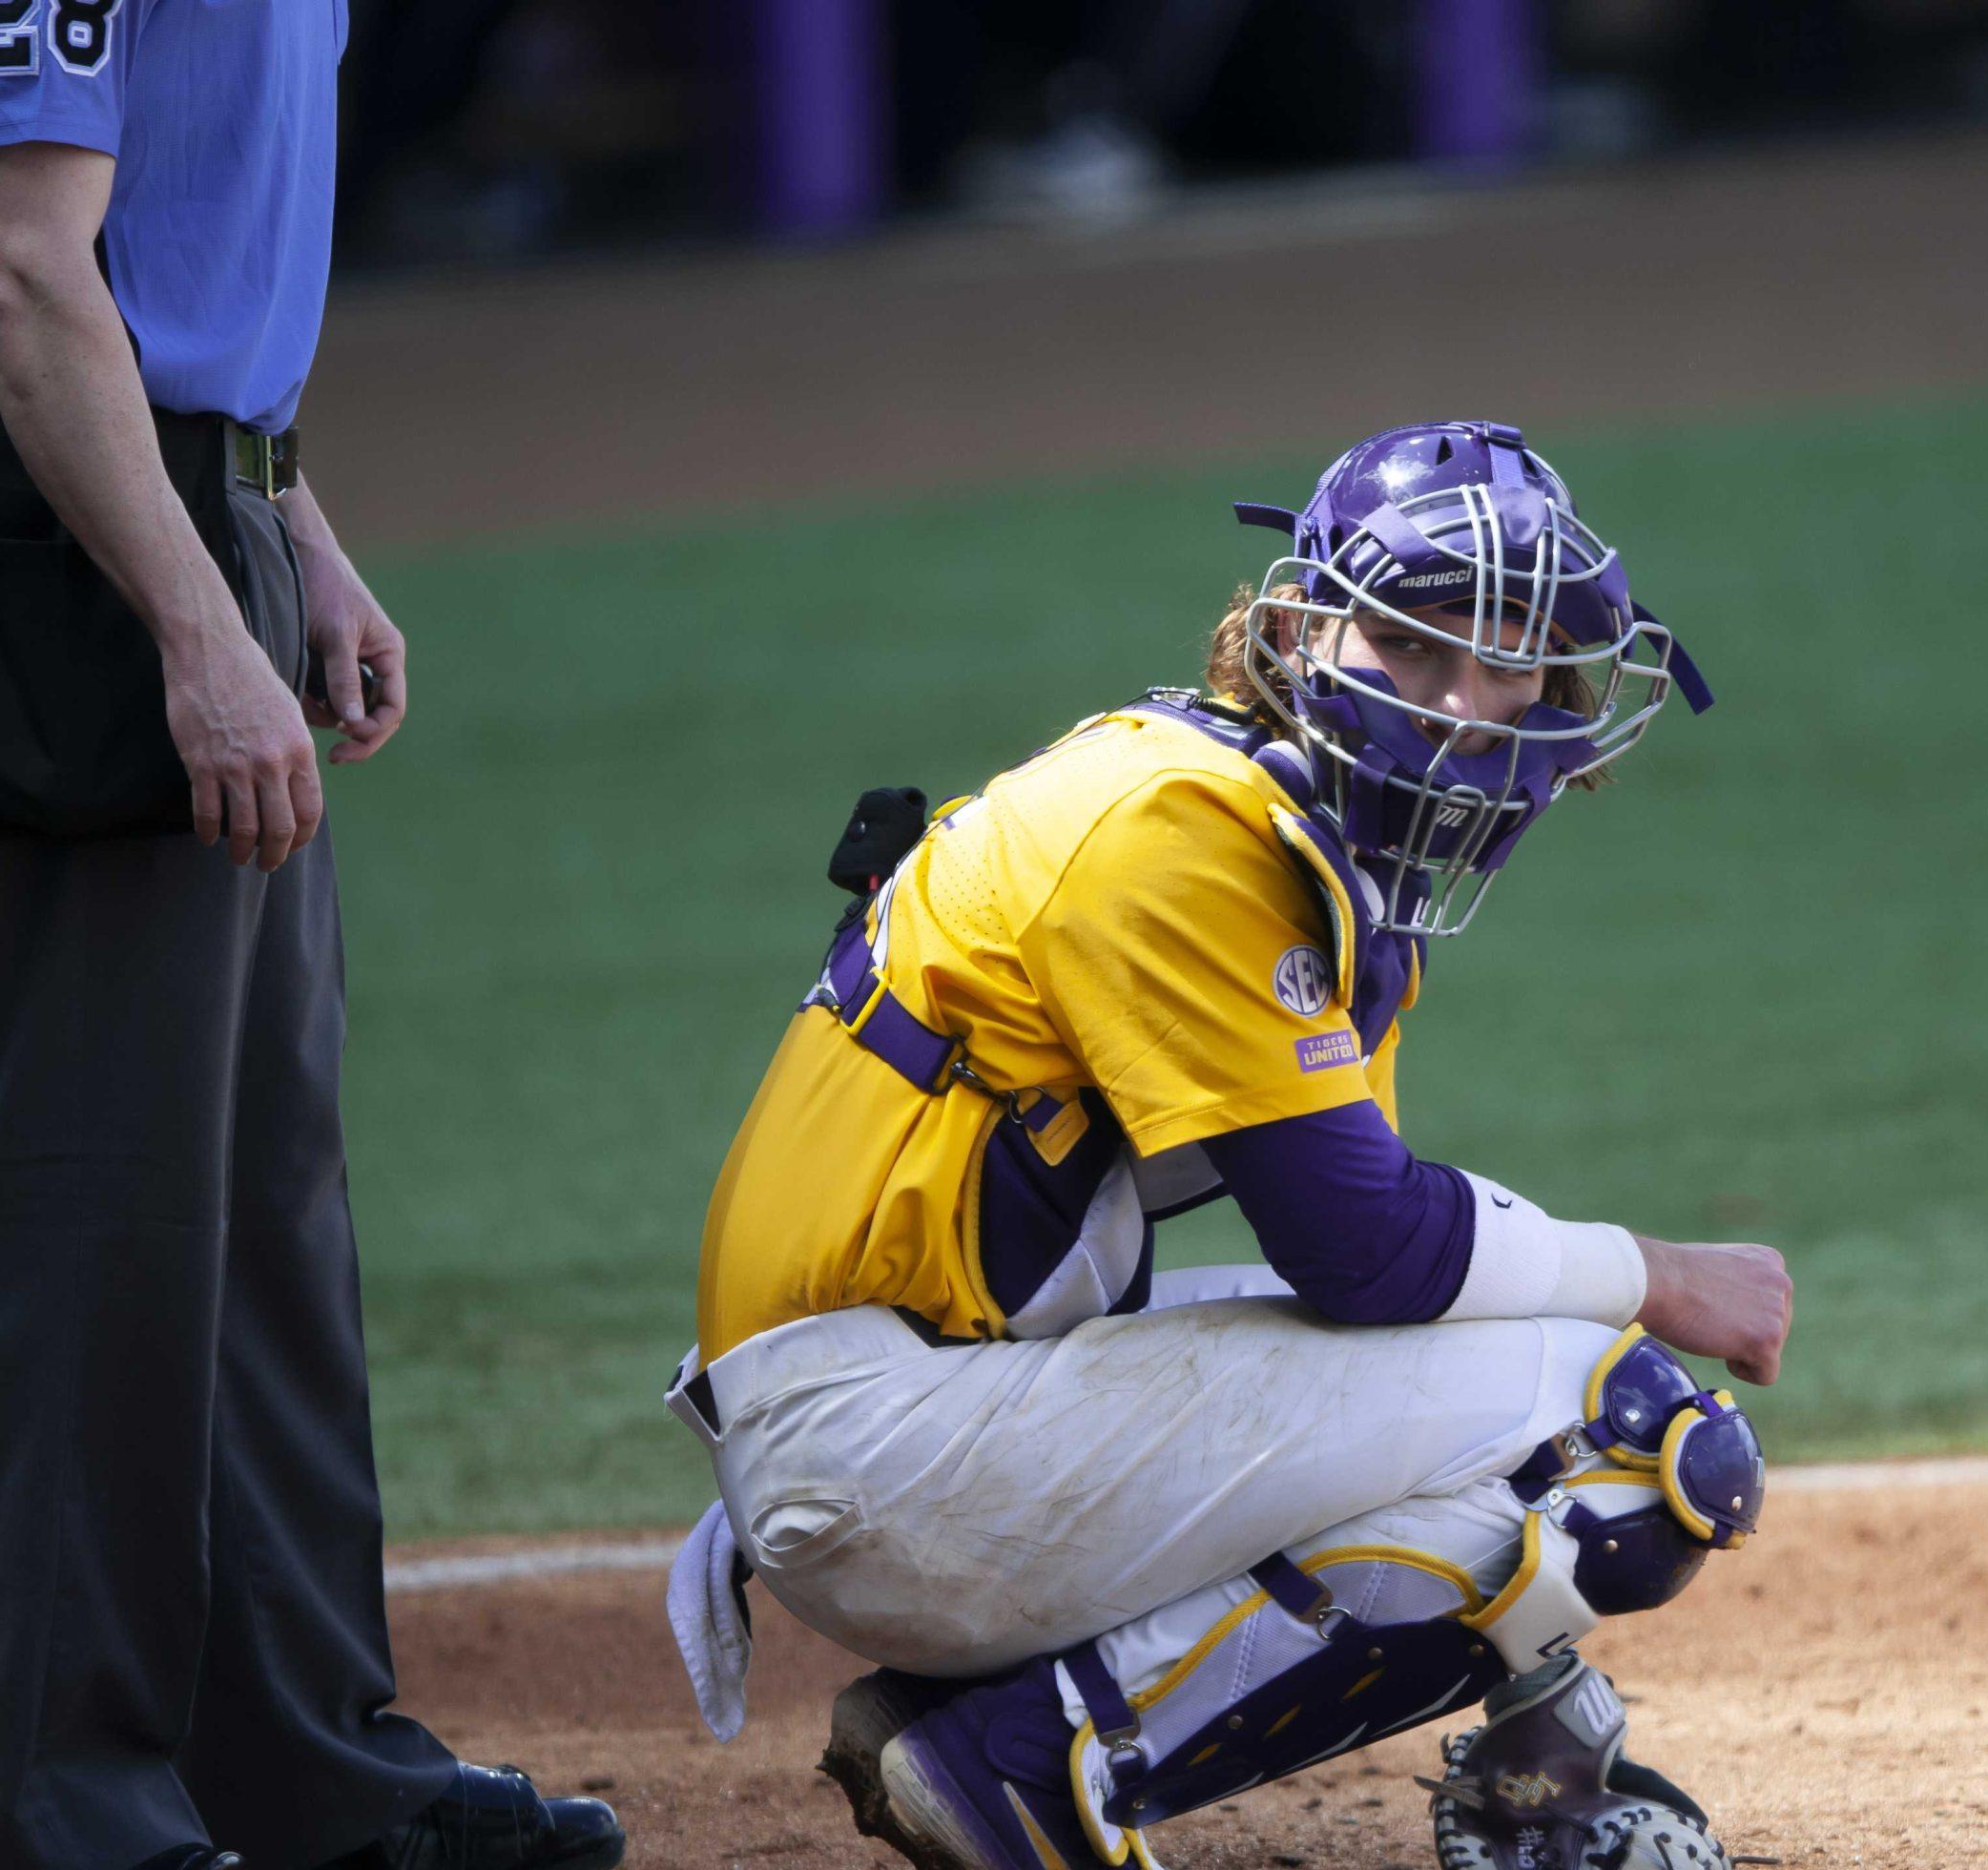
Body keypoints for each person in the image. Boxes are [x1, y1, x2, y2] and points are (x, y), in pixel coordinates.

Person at [664, 420, 1793, 1869]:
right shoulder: (1179, 831)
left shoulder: (1279, 829)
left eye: (1506, 659)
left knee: (1529, 1390)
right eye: (1413, 642)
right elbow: (1365, 1251)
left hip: (922, 1401)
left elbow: (1368, 1283)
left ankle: (1525, 1756)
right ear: (1293, 631)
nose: (1462, 705)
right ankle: (1017, 1761)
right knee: (1631, 1443)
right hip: (880, 1442)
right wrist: (1653, 1270)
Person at [0, 9, 623, 1869]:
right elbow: (14, 262)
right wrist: (189, 620)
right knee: (82, 1208)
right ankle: (32, 1809)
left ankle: (292, 1765)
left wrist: (279, 517)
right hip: (42, 544)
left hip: (175, 497)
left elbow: (181, 239)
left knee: (247, 1211)